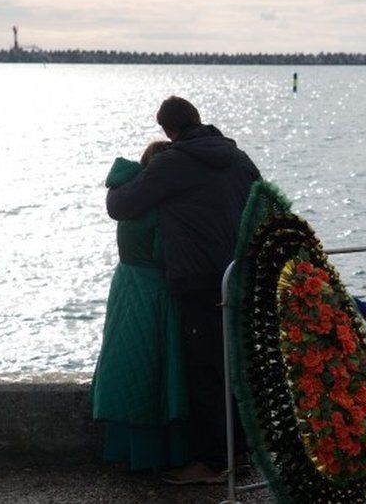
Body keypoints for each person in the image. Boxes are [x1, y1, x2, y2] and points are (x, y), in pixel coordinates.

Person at [107, 96, 261, 484]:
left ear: (167, 131)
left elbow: (123, 206)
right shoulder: (237, 157)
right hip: (238, 275)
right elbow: (261, 203)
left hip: (197, 280)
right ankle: (239, 453)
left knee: (205, 373)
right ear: (197, 119)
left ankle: (211, 464)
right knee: (233, 367)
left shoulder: (172, 162)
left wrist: (117, 179)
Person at [92, 140, 188, 472]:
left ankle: (124, 450)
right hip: (154, 291)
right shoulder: (159, 209)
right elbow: (166, 254)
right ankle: (164, 454)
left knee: (128, 363)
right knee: (158, 371)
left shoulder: (125, 199)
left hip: (125, 286)